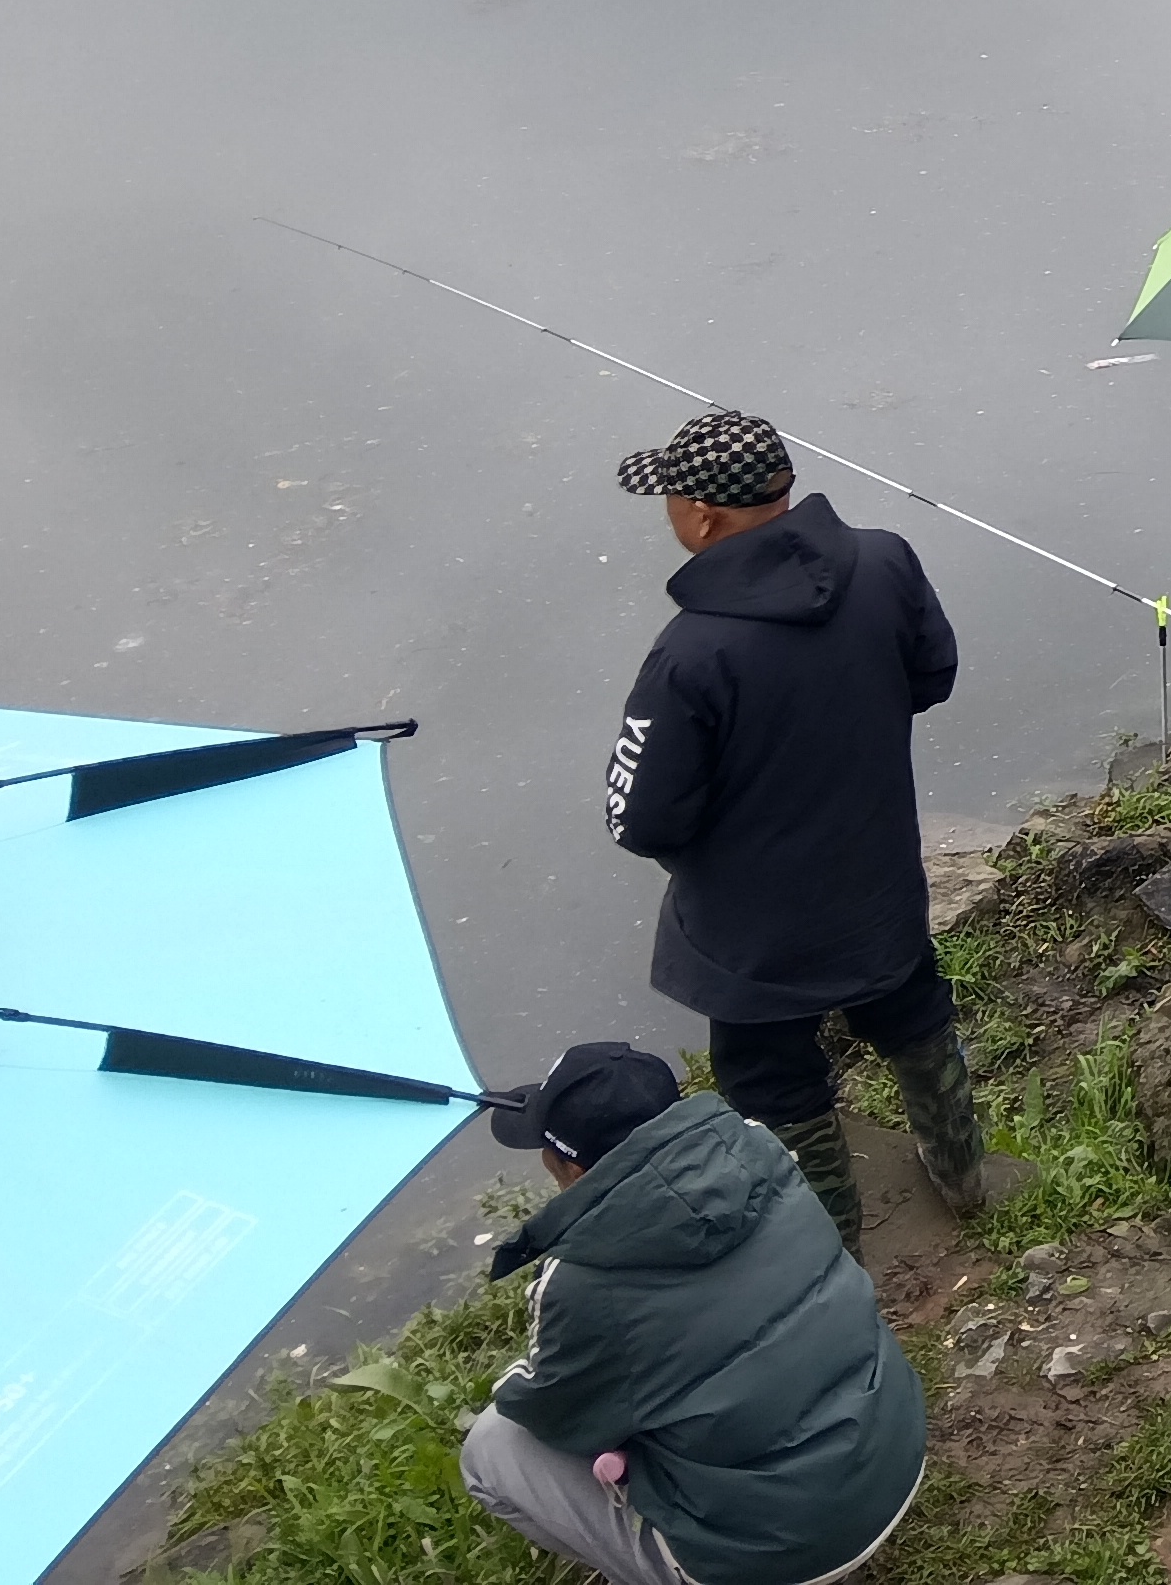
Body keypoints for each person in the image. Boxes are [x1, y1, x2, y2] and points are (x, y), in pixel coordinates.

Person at [600, 409, 973, 1253]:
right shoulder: (885, 560)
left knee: (773, 1078)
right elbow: (933, 674)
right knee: (915, 1015)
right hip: (878, 882)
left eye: (669, 496)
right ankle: (963, 1174)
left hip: (753, 933)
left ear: (701, 517)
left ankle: (829, 1238)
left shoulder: (689, 656)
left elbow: (640, 815)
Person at [461, 1039, 926, 1585]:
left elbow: (549, 1411)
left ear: (564, 1166)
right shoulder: (761, 1147)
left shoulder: (579, 1282)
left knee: (490, 1445)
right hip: (893, 1453)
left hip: (785, 1552)